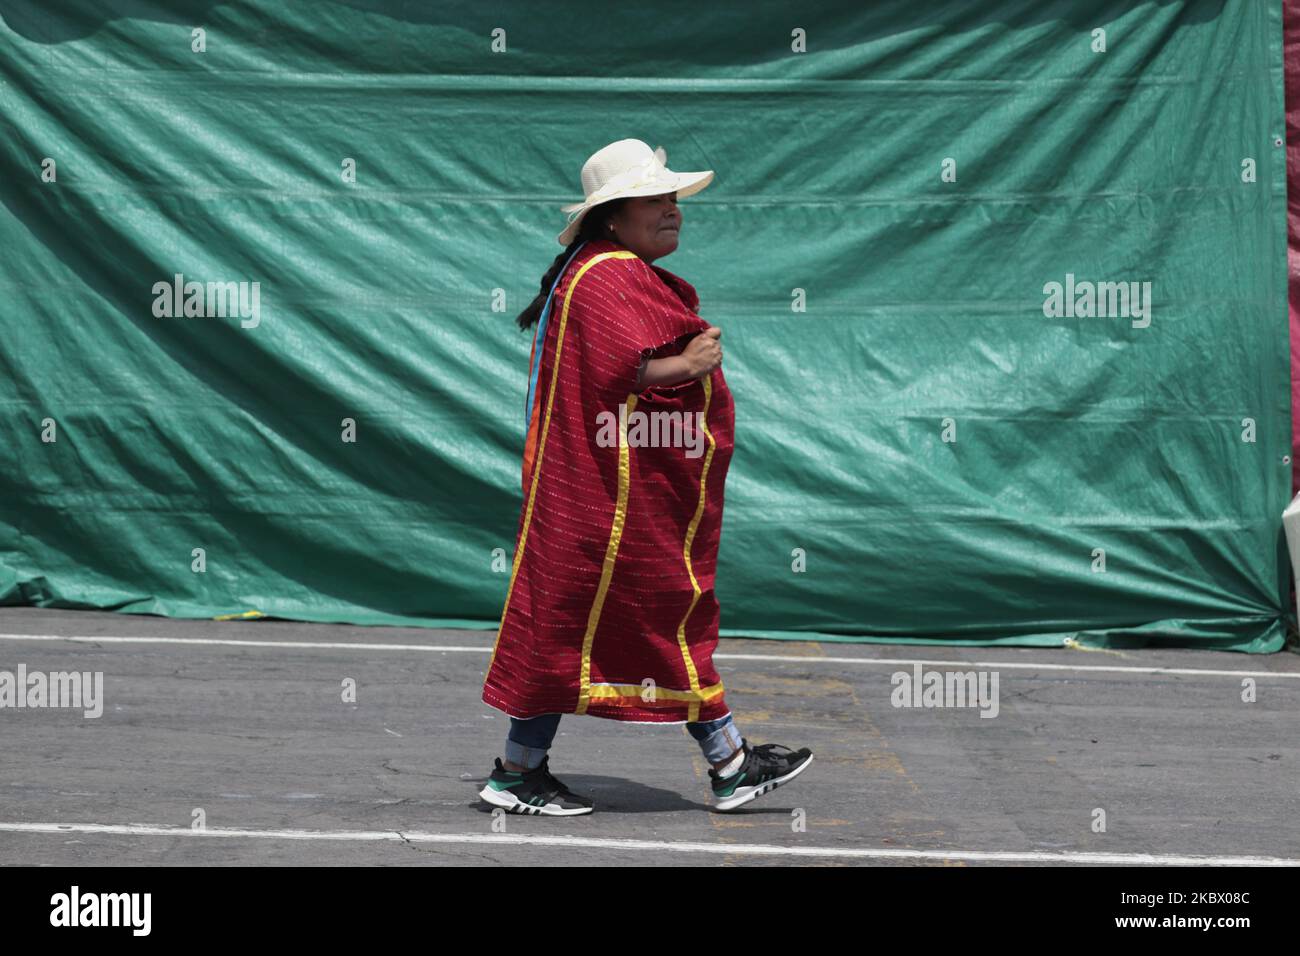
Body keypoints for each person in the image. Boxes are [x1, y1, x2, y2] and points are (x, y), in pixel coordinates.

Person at [480, 138, 813, 815]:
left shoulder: (599, 269)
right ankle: (727, 763)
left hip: (598, 491)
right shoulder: (607, 274)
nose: (673, 210)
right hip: (602, 498)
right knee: (661, 610)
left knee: (583, 627)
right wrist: (685, 368)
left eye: (672, 198)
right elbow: (615, 375)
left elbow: (609, 379)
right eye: (655, 200)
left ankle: (522, 771)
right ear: (612, 215)